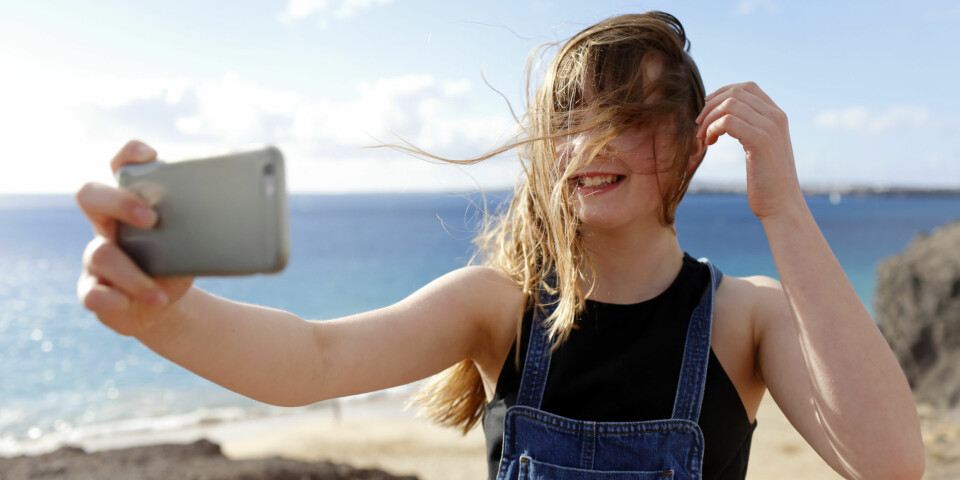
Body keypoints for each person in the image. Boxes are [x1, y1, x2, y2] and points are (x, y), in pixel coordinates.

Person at [75, 11, 924, 480]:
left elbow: (890, 466)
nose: (592, 143)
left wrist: (783, 210)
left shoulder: (745, 318)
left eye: (628, 119)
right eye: (570, 119)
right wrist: (166, 318)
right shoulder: (501, 306)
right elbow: (314, 361)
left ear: (695, 142)